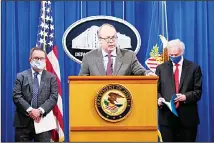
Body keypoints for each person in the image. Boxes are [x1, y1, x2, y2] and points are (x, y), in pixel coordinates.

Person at [155, 39, 202, 142]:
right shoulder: (161, 68)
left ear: (182, 52)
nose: (173, 57)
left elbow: (198, 92)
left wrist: (185, 97)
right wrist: (158, 99)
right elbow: (155, 91)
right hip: (166, 119)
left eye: (176, 55)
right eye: (171, 55)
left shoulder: (194, 68)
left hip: (187, 119)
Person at [13, 47, 58, 142]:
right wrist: (30, 110)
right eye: (36, 58)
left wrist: (40, 111)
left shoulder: (51, 77)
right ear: (30, 60)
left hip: (43, 121)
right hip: (23, 122)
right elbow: (17, 96)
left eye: (41, 58)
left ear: (45, 60)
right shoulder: (21, 76)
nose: (39, 60)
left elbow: (53, 97)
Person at [79, 23, 154, 76]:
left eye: (113, 37)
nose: (111, 41)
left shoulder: (129, 56)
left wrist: (147, 74)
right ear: (100, 40)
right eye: (107, 38)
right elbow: (81, 81)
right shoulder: (88, 57)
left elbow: (140, 72)